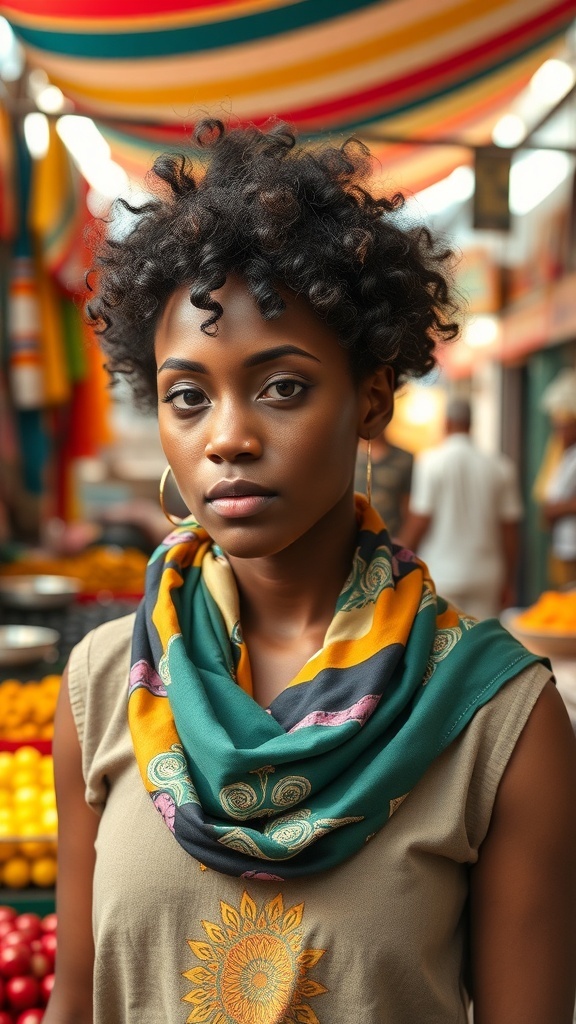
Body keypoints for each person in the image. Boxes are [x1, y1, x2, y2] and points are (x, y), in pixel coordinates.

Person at [46, 121, 576, 1024]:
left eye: (282, 386)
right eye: (188, 396)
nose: (227, 437)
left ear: (371, 400)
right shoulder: (104, 686)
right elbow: (76, 1002)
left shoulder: (501, 724)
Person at [399, 397, 523, 620]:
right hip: (486, 574)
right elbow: (510, 530)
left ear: (446, 423)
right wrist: (509, 579)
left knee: (443, 645)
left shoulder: (430, 462)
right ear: (470, 424)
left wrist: (398, 552)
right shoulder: (500, 465)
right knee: (483, 644)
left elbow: (420, 520)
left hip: (441, 572)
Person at [539, 367, 576, 588]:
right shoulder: (566, 455)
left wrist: (557, 509)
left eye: (563, 426)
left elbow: (553, 507)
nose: (558, 431)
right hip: (564, 547)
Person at [354, 428, 413, 538]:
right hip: (353, 538)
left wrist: (404, 540)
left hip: (391, 538)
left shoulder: (405, 459)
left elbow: (409, 507)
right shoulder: (348, 456)